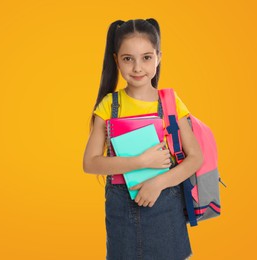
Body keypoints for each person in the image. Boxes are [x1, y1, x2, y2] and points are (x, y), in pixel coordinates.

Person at [82, 18, 203, 260]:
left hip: (166, 209)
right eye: (128, 59)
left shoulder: (170, 102)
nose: (138, 67)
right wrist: (142, 161)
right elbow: (91, 163)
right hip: (121, 212)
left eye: (146, 57)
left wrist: (158, 183)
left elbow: (195, 158)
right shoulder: (109, 106)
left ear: (158, 57)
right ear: (116, 60)